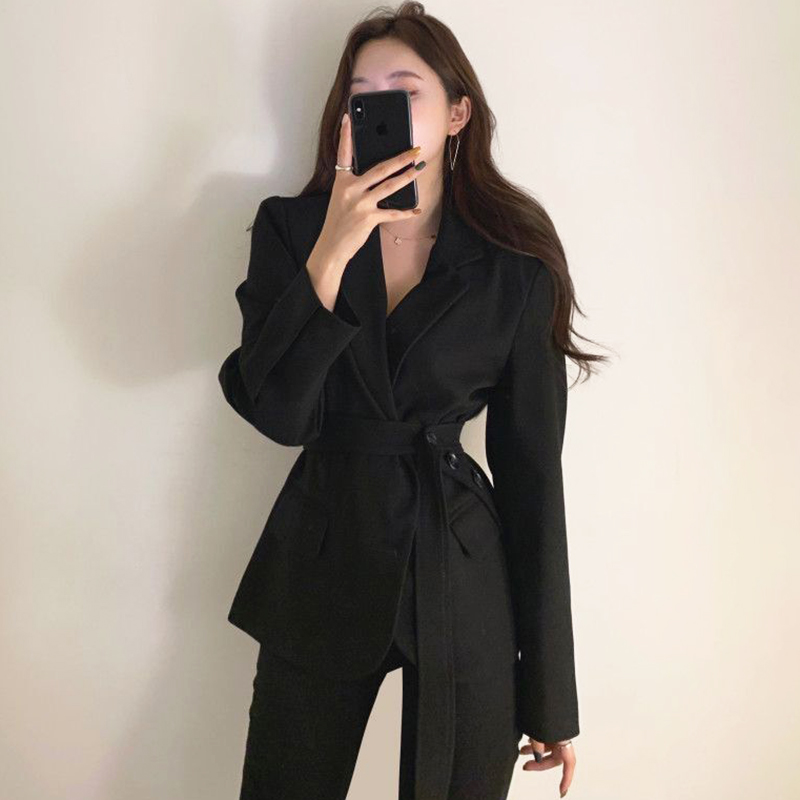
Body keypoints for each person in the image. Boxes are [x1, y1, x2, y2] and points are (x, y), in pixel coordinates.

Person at [218, 3, 607, 798]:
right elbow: (279, 415)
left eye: (406, 90)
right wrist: (333, 248)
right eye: (362, 95)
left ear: (457, 112)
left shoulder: (513, 262)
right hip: (323, 551)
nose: (381, 107)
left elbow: (534, 478)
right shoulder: (291, 230)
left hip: (460, 564)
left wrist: (551, 698)